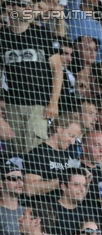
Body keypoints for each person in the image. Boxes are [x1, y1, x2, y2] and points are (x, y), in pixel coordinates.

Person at [0, 0, 63, 154]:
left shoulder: (42, 34)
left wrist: (53, 103)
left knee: (34, 154)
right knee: (15, 154)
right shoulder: (2, 38)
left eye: (30, 5)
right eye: (23, 5)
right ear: (10, 8)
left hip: (39, 107)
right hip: (12, 106)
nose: (28, 8)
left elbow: (57, 69)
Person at [22, 115, 82, 198]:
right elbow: (30, 189)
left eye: (75, 138)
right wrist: (63, 180)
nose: (72, 142)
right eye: (71, 136)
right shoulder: (38, 153)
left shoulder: (69, 156)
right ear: (59, 129)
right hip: (44, 207)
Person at [0, 157, 26, 235]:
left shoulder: (27, 212)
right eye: (14, 179)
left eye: (21, 178)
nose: (20, 182)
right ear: (1, 183)